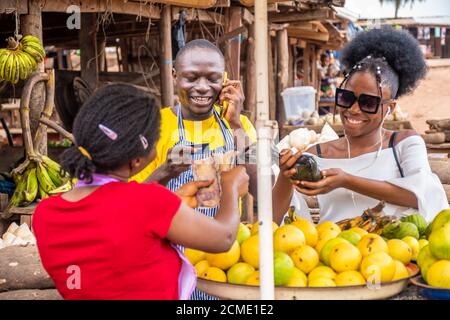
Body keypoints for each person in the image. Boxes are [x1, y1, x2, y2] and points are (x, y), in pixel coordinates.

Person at [32, 83, 249, 300]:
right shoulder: (147, 203)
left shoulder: (44, 214)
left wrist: (169, 202)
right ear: (137, 160)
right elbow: (224, 238)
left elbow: (120, 233)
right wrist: (230, 187)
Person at [273, 28, 448, 225]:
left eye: (368, 102)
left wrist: (347, 180)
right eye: (346, 98)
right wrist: (284, 177)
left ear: (390, 108)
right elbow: (274, 220)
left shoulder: (404, 143)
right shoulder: (316, 155)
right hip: (334, 252)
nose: (353, 109)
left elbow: (422, 195)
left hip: (396, 252)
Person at [129, 40, 257, 299]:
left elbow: (262, 188)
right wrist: (164, 172)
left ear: (225, 80)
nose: (202, 87)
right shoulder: (156, 126)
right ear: (175, 76)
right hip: (167, 260)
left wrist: (236, 126)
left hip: (224, 264)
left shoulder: (240, 124)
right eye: (191, 77)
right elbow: (131, 206)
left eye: (212, 78)